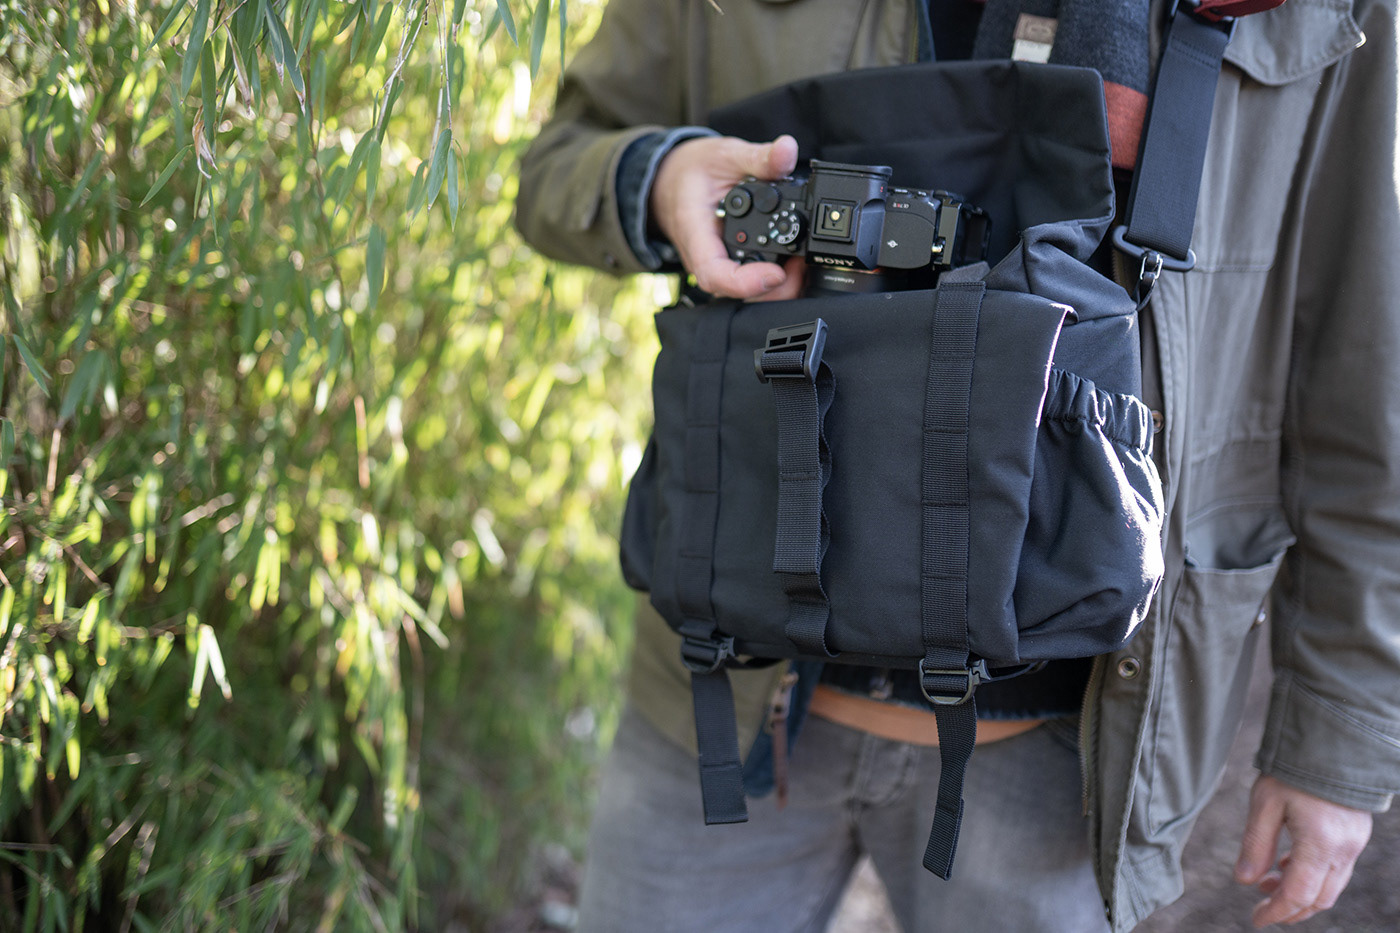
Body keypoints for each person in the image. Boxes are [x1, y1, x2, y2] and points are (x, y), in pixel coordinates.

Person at [515, 0, 1400, 929]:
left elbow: (1361, 355)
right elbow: (555, 164)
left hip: (1069, 755)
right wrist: (657, 183)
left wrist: (1338, 735)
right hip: (722, 701)